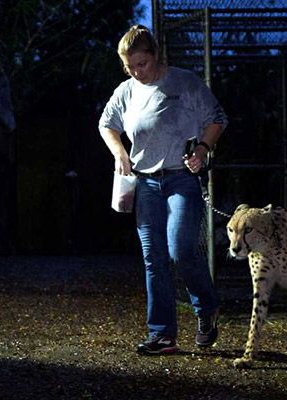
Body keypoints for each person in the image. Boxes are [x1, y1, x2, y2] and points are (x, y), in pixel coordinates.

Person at [98, 25, 227, 355]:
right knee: (152, 256)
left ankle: (206, 308)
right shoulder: (126, 91)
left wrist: (201, 149)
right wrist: (120, 153)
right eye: (129, 66)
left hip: (181, 178)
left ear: (154, 56)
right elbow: (106, 124)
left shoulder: (184, 82)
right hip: (145, 182)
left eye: (141, 64)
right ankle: (162, 334)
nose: (136, 72)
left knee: (180, 248)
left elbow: (217, 118)